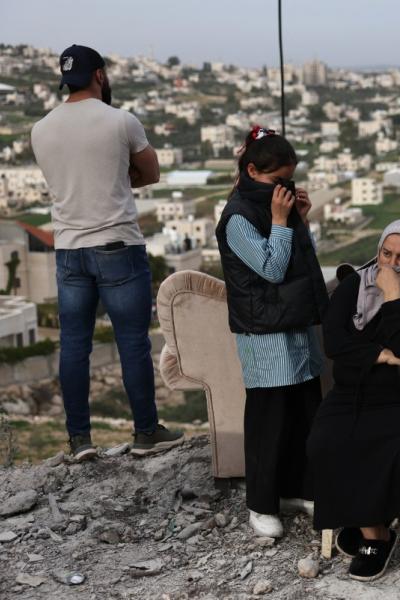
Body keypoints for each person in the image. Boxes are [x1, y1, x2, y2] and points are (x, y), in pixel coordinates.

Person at [30, 44, 183, 461]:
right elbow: (151, 172)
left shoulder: (40, 129)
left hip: (69, 250)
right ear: (100, 75)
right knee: (132, 343)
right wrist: (117, 175)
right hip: (117, 245)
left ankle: (79, 440)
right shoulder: (121, 120)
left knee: (73, 346)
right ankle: (146, 432)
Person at [307, 219, 400, 581]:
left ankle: (374, 535)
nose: (392, 264)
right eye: (386, 254)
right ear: (378, 251)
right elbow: (335, 343)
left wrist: (391, 294)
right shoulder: (353, 286)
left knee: (397, 443)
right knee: (326, 439)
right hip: (355, 393)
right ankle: (373, 527)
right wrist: (384, 355)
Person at [215, 126, 329, 539]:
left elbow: (303, 260)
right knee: (269, 422)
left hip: (295, 325)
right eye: (277, 180)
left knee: (305, 415)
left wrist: (299, 220)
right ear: (252, 171)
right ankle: (261, 504)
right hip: (264, 335)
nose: (284, 188)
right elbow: (272, 269)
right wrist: (282, 220)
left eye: (289, 180)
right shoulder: (237, 218)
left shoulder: (276, 207)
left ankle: (301, 490)